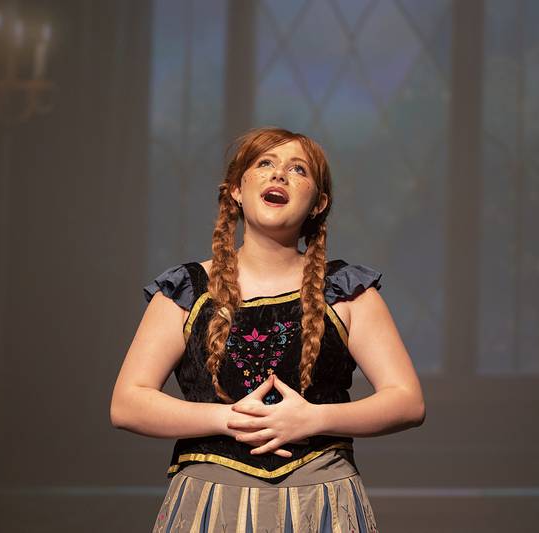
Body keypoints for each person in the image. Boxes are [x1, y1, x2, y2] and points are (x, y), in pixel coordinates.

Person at [110, 126, 425, 532]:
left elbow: (407, 401)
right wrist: (229, 418)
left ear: (318, 203)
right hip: (212, 502)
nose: (279, 174)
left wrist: (313, 419)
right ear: (236, 190)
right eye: (265, 163)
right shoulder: (187, 290)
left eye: (298, 169)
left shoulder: (346, 292)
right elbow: (128, 403)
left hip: (321, 498)